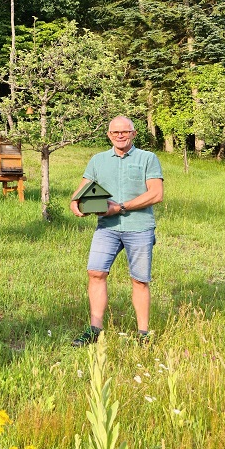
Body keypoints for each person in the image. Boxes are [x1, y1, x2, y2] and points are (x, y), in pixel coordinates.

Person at [69, 115, 164, 347]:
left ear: (133, 134)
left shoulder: (147, 158)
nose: (120, 135)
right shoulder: (98, 160)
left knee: (139, 280)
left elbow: (156, 193)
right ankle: (95, 330)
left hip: (139, 228)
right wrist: (75, 203)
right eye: (115, 132)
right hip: (107, 228)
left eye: (125, 132)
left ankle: (143, 334)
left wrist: (120, 207)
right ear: (109, 135)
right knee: (95, 273)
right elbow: (81, 190)